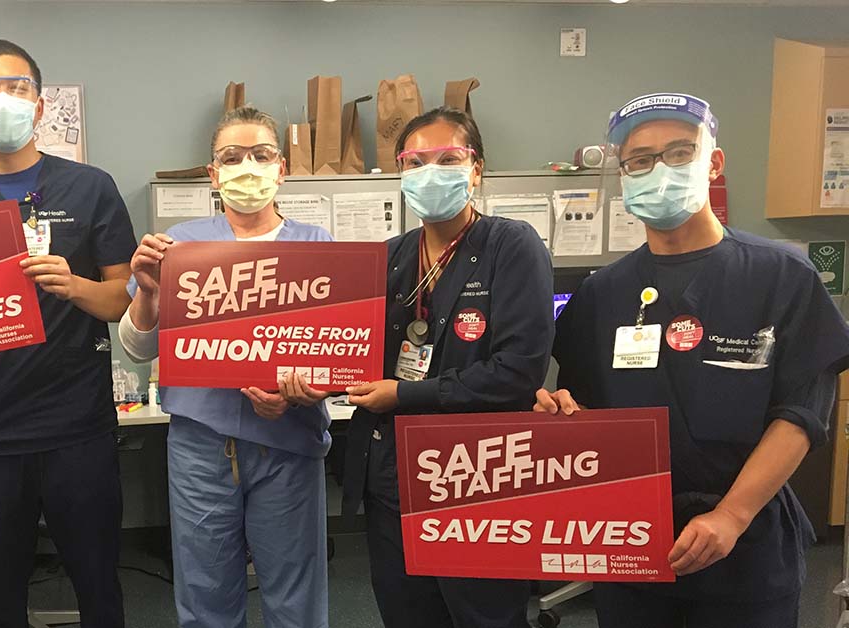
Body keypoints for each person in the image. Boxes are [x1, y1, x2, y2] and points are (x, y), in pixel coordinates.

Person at [537, 92, 849, 628]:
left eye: (680, 152)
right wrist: (562, 417)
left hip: (746, 544)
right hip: (632, 539)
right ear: (624, 174)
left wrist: (732, 514)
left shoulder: (781, 277)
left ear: (714, 162)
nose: (659, 169)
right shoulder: (602, 295)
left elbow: (801, 414)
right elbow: (586, 408)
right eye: (640, 160)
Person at [301, 107, 554, 627]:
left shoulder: (511, 246)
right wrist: (308, 380)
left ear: (476, 169)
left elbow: (518, 373)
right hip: (392, 474)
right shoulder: (388, 257)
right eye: (415, 162)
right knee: (407, 613)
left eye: (447, 159)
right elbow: (351, 353)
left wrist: (405, 395)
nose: (429, 172)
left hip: (475, 476)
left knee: (486, 615)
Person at [0, 39, 135, 628]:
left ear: (40, 105)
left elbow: (123, 301)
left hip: (77, 426)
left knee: (98, 582)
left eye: (16, 87)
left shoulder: (91, 187)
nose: (3, 100)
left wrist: (74, 287)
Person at [118, 106, 331, 628]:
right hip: (201, 445)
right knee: (206, 590)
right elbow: (138, 348)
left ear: (281, 168)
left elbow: (337, 355)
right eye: (232, 158)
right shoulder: (181, 246)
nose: (248, 167)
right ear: (214, 175)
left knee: (295, 593)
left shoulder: (319, 247)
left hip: (288, 443)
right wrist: (147, 292)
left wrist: (301, 392)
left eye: (261, 155)